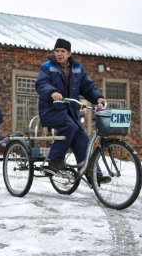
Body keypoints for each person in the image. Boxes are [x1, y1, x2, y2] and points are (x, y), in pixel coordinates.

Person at [35, 38, 111, 183]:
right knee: (70, 126)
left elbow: (87, 87)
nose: (59, 54)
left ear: (69, 53)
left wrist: (98, 98)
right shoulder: (47, 67)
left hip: (70, 112)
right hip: (52, 110)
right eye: (57, 51)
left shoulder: (77, 68)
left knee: (82, 137)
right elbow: (41, 83)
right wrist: (52, 92)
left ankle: (94, 174)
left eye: (63, 51)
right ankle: (55, 161)